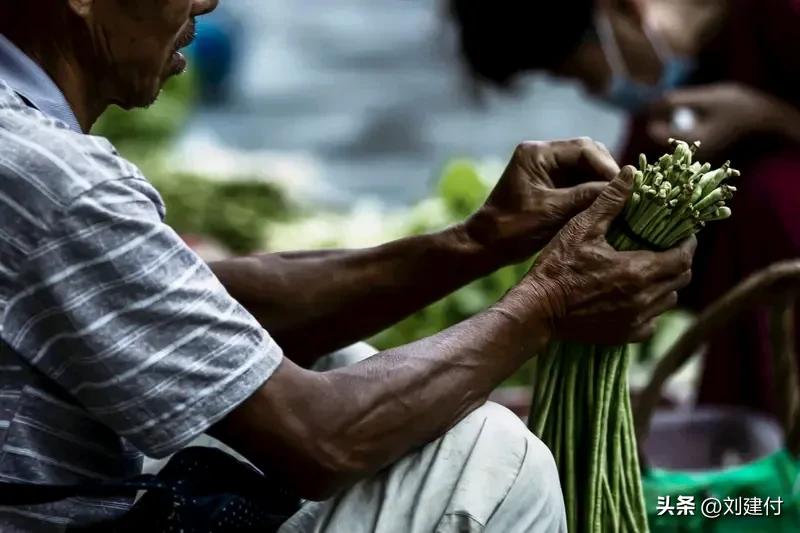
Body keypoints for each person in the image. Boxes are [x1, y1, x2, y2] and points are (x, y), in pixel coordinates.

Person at [0, 1, 695, 531]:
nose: (207, 3)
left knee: (330, 359)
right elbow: (318, 441)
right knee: (495, 464)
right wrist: (549, 303)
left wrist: (477, 242)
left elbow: (202, 308)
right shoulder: (53, 178)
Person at [450, 0, 800, 416]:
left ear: (624, 10)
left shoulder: (784, 15)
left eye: (582, 75)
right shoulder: (665, 114)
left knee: (770, 192)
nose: (592, 92)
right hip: (758, 356)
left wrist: (766, 116)